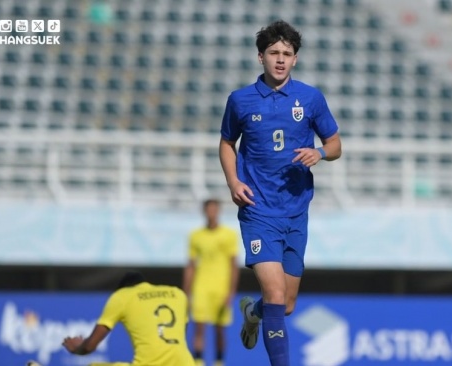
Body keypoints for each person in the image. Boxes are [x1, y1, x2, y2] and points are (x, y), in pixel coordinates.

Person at [218, 20, 342, 366]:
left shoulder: (310, 98)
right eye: (274, 52)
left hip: (296, 210)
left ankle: (252, 314)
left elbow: (335, 144)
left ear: (296, 59)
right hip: (258, 209)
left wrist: (319, 152)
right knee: (274, 294)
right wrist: (232, 181)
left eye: (287, 53)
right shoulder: (240, 100)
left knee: (284, 305)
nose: (280, 59)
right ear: (261, 57)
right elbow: (227, 143)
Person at [60, 271, 194, 366]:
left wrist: (76, 348)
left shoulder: (123, 296)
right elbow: (181, 334)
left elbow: (89, 346)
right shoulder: (177, 294)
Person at [183, 199, 240, 366]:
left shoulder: (229, 234)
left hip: (221, 287)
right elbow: (191, 265)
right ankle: (198, 361)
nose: (211, 213)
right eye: (209, 210)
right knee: (199, 327)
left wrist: (231, 291)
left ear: (218, 211)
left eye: (214, 210)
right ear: (204, 211)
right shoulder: (196, 236)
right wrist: (186, 291)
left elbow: (233, 265)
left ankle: (219, 361)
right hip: (201, 286)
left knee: (219, 329)